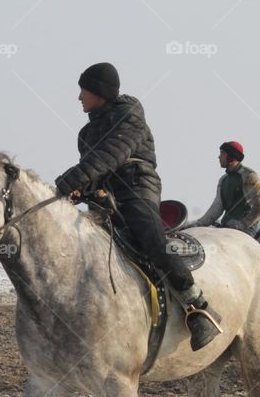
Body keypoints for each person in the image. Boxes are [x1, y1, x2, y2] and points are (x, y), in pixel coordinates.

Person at [54, 62, 220, 351]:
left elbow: (108, 157)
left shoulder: (129, 116)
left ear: (99, 92)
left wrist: (68, 181)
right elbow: (94, 171)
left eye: (84, 90)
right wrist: (82, 189)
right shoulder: (85, 133)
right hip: (104, 198)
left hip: (136, 189)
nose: (79, 97)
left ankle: (197, 306)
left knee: (153, 243)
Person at [189, 141, 260, 237]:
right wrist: (198, 224)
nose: (219, 157)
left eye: (222, 153)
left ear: (231, 156)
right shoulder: (223, 180)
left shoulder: (249, 176)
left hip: (246, 230)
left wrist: (242, 224)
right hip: (226, 227)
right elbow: (217, 208)